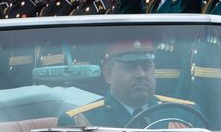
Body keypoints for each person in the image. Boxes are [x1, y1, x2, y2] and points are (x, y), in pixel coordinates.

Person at [59, 40, 195, 127]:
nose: (140, 74)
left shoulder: (185, 113)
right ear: (108, 74)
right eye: (130, 67)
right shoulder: (82, 122)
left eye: (146, 67)